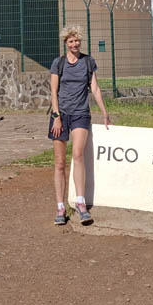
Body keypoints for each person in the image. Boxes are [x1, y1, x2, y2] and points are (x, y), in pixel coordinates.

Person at [49, 25, 111, 226]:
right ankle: (60, 207)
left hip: (81, 114)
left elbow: (95, 88)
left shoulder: (88, 62)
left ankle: (81, 203)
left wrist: (104, 112)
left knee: (77, 155)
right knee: (60, 162)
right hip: (61, 115)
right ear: (65, 43)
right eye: (71, 41)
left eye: (77, 40)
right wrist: (56, 116)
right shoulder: (58, 63)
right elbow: (54, 91)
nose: (74, 44)